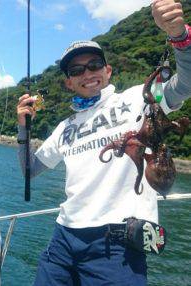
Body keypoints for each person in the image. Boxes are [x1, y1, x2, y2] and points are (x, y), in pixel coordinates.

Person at [16, 1, 190, 285]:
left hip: (117, 246)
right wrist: (23, 128)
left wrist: (179, 36)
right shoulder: (64, 128)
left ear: (108, 71)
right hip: (63, 239)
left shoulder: (139, 98)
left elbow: (185, 84)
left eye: (94, 65)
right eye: (76, 70)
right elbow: (28, 171)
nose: (87, 74)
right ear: (68, 83)